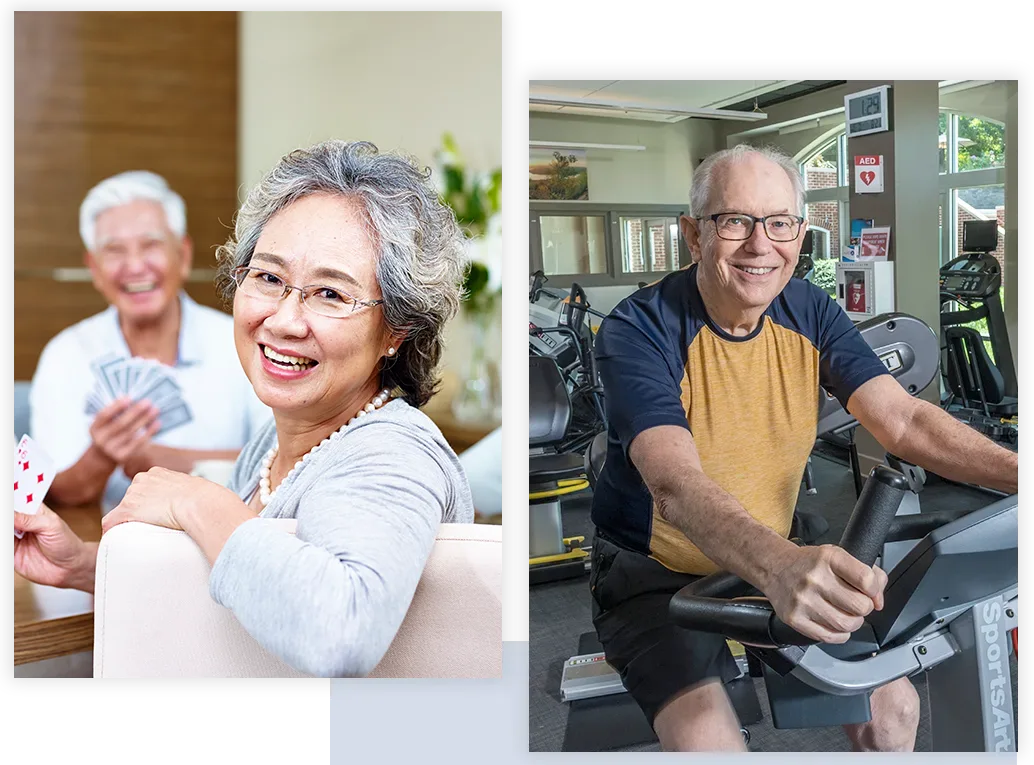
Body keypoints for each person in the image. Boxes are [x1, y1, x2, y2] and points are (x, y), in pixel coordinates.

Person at [589, 144, 1018, 752]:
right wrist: (781, 567)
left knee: (891, 715)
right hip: (658, 574)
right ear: (693, 234)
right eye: (734, 221)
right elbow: (673, 484)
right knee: (710, 745)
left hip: (774, 546)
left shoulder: (810, 309)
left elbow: (903, 421)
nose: (760, 245)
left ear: (799, 231)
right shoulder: (639, 330)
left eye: (780, 222)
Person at [14, 140, 476, 678]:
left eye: (330, 293)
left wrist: (197, 500)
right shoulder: (276, 442)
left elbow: (339, 631)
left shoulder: (391, 450)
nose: (283, 320)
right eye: (269, 277)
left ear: (395, 329)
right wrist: (85, 565)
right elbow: (241, 582)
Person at [30, 171, 272, 513]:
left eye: (151, 245)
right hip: (107, 548)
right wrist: (100, 455)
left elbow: (285, 460)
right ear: (94, 269)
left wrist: (166, 461)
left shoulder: (243, 342)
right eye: (114, 250)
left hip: (223, 544)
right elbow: (57, 492)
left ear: (183, 255)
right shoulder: (66, 355)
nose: (135, 266)